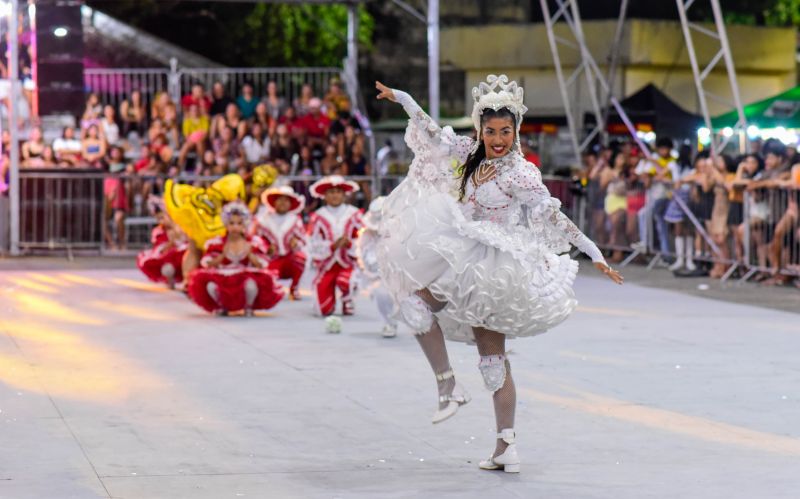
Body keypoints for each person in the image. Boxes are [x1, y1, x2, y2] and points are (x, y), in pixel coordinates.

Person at [374, 75, 621, 473]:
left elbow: (553, 216)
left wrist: (595, 253)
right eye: (491, 131)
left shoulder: (520, 173)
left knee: (493, 362)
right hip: (459, 254)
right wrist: (402, 97)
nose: (498, 138)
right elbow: (430, 130)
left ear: (516, 131)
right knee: (415, 308)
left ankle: (506, 445)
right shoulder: (469, 153)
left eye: (506, 131)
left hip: (494, 267)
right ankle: (448, 385)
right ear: (480, 130)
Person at [187, 201, 285, 316]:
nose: (235, 227)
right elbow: (208, 264)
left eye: (239, 223)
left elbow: (261, 265)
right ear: (226, 225)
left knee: (251, 284)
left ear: (244, 225)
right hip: (224, 274)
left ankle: (249, 306)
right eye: (232, 223)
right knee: (211, 285)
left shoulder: (253, 242)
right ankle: (221, 305)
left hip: (245, 273)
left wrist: (249, 254)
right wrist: (223, 255)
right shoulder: (217, 243)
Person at [306, 175, 364, 317]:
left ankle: (347, 298)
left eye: (338, 192)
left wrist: (349, 243)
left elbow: (364, 239)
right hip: (327, 265)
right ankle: (328, 299)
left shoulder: (354, 214)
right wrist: (332, 246)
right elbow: (312, 243)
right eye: (331, 192)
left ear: (344, 194)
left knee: (345, 281)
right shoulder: (318, 216)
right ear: (324, 196)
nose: (335, 195)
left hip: (348, 263)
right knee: (323, 311)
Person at [251, 185, 307, 301]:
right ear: (274, 202)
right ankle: (271, 288)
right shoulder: (262, 220)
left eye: (286, 200)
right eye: (280, 199)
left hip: (289, 257)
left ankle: (294, 288)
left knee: (301, 258)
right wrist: (266, 247)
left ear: (291, 204)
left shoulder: (295, 220)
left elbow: (303, 240)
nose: (283, 203)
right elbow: (255, 239)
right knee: (264, 268)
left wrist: (296, 243)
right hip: (272, 258)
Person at [356, 196, 398, 338]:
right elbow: (365, 259)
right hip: (380, 274)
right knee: (381, 293)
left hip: (405, 274)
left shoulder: (402, 231)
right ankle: (388, 321)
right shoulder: (366, 235)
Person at [136, 198, 187, 289]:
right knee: (167, 266)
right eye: (158, 219)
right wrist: (171, 243)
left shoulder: (180, 227)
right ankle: (170, 279)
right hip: (168, 257)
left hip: (182, 255)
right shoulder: (159, 231)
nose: (161, 221)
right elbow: (161, 249)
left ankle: (185, 279)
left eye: (162, 217)